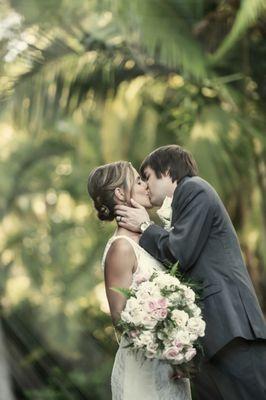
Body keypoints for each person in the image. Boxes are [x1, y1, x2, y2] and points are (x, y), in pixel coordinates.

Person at [114, 145, 266, 400]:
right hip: (211, 339)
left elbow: (179, 253)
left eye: (147, 176)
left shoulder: (194, 189)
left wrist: (144, 225)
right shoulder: (186, 199)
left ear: (166, 171)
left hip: (231, 329)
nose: (146, 186)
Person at [87, 160, 192, 400]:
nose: (146, 185)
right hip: (143, 373)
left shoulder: (150, 238)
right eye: (137, 180)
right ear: (120, 193)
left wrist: (181, 344)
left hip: (171, 367)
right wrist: (167, 339)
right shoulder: (121, 248)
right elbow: (120, 320)